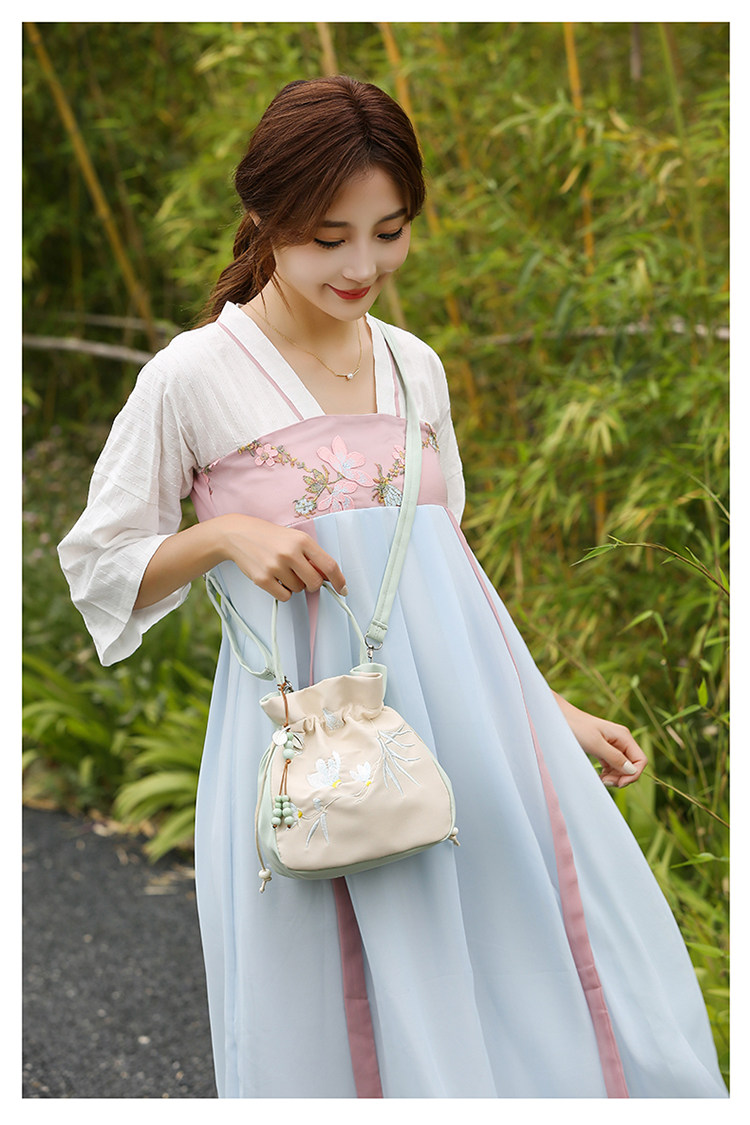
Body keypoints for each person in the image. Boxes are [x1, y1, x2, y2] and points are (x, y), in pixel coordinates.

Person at [58, 76, 727, 1099]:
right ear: (264, 215)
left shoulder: (416, 365)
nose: (363, 267)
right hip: (310, 751)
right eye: (329, 238)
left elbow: (444, 579)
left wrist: (546, 712)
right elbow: (100, 560)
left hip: (460, 735)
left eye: (390, 231)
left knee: (530, 972)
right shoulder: (194, 376)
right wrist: (224, 536)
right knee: (334, 1008)